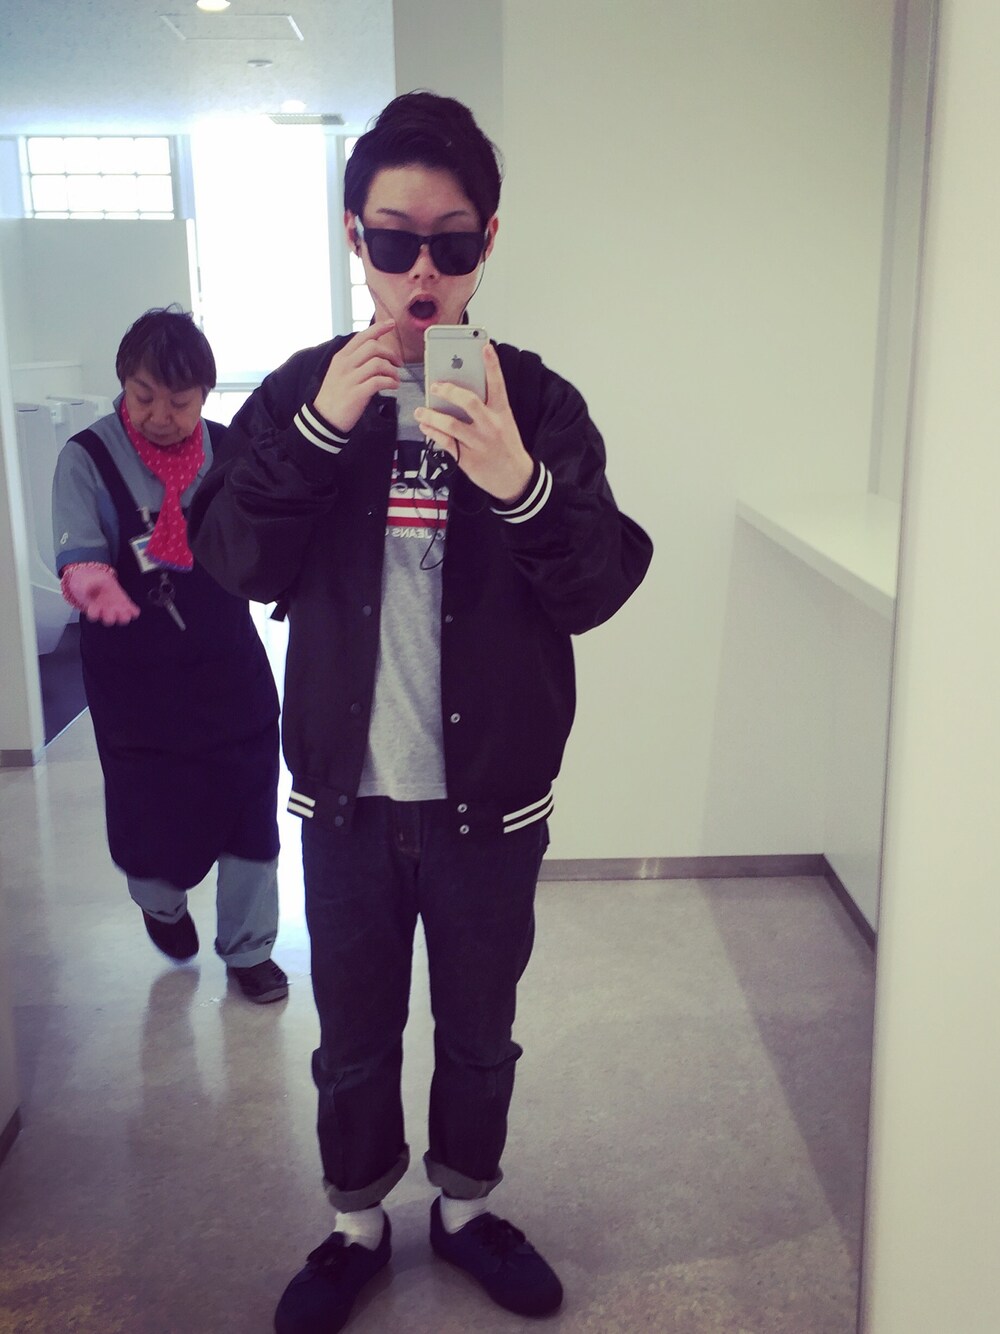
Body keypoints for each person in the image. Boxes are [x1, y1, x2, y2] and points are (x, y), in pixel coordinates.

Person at [189, 92, 653, 1331]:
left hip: (490, 800)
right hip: (345, 796)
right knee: (352, 1033)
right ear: (355, 236)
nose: (422, 274)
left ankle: (462, 1206)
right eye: (394, 241)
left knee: (480, 1029)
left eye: (450, 243)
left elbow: (596, 584)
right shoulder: (303, 392)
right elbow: (229, 557)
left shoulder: (535, 403)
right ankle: (356, 1225)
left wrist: (517, 480)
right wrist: (317, 429)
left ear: (487, 241)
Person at [52, 307, 288, 1005]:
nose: (160, 415)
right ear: (124, 383)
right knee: (150, 812)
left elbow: (261, 539)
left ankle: (250, 949)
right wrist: (89, 578)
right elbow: (77, 550)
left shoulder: (231, 451)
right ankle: (160, 903)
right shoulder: (86, 458)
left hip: (228, 668)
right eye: (143, 395)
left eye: (179, 401)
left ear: (206, 394)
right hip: (135, 681)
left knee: (250, 809)